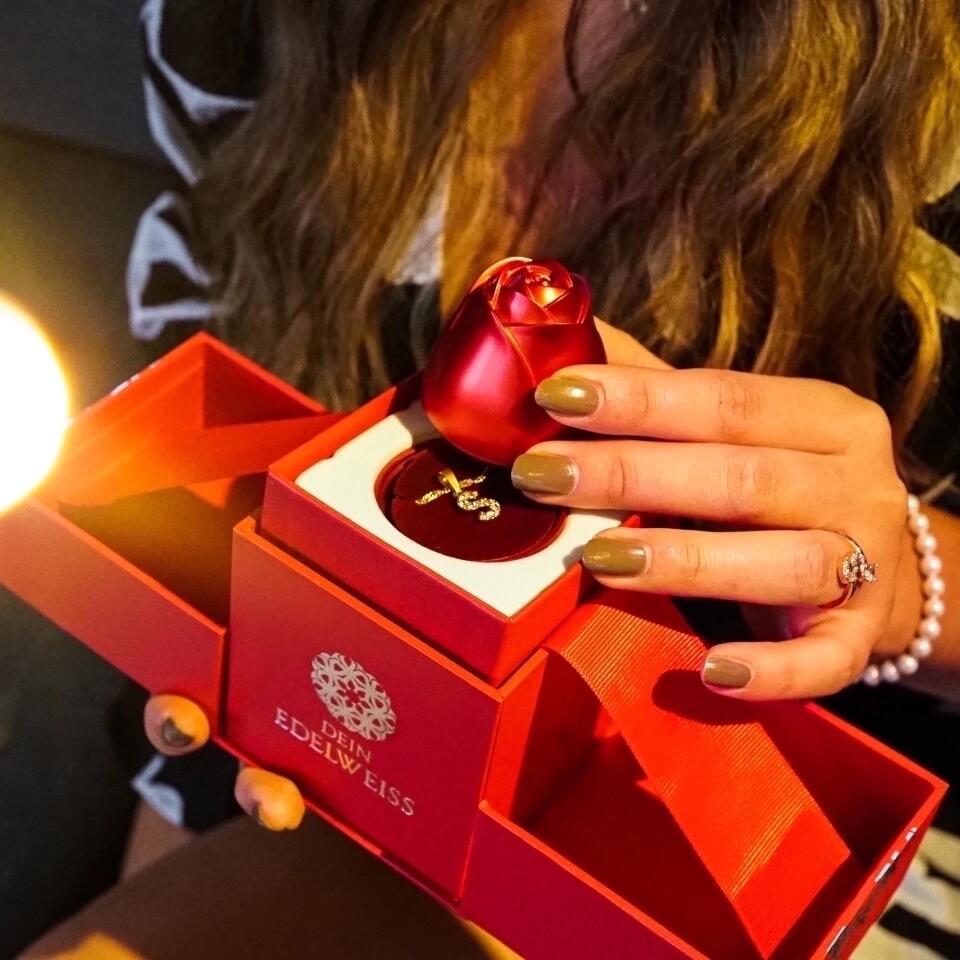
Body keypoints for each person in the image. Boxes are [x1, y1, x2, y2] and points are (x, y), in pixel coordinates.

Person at [32, 0, 960, 957]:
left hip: (697, 816)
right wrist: (251, 637)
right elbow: (213, 357)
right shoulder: (265, 27)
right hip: (322, 755)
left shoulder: (931, 106)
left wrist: (900, 590)